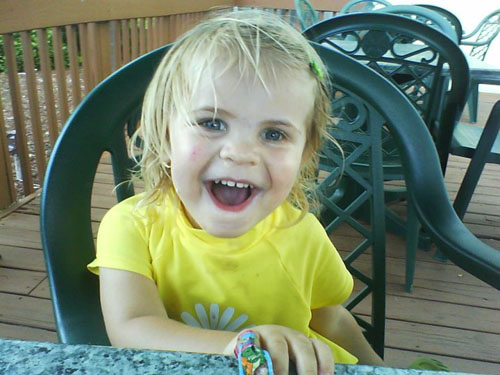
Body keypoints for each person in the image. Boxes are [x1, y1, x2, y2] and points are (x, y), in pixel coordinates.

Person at [88, 8, 384, 375]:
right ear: (166, 137)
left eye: (273, 134)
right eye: (212, 123)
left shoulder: (301, 233)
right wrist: (235, 346)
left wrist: (383, 369)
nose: (240, 153)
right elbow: (131, 326)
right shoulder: (132, 226)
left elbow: (332, 319)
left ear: (304, 156)